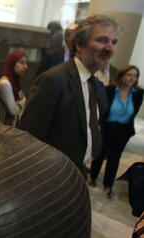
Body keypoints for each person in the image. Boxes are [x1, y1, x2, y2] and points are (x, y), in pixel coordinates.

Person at [18, 15, 120, 175]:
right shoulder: (53, 80)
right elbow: (28, 139)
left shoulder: (97, 85)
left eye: (114, 42)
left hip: (78, 171)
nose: (110, 48)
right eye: (102, 40)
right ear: (80, 44)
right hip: (50, 176)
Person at [88, 66, 143, 198]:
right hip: (107, 126)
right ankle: (92, 177)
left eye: (135, 76)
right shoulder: (110, 90)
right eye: (129, 75)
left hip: (123, 130)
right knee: (100, 154)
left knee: (115, 157)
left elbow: (133, 112)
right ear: (121, 75)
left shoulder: (138, 94)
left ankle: (108, 184)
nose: (132, 78)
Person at [0, 51, 28, 126]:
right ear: (12, 63)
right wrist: (23, 101)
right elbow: (14, 110)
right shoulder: (5, 83)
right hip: (4, 127)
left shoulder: (14, 81)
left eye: (25, 63)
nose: (26, 66)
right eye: (22, 62)